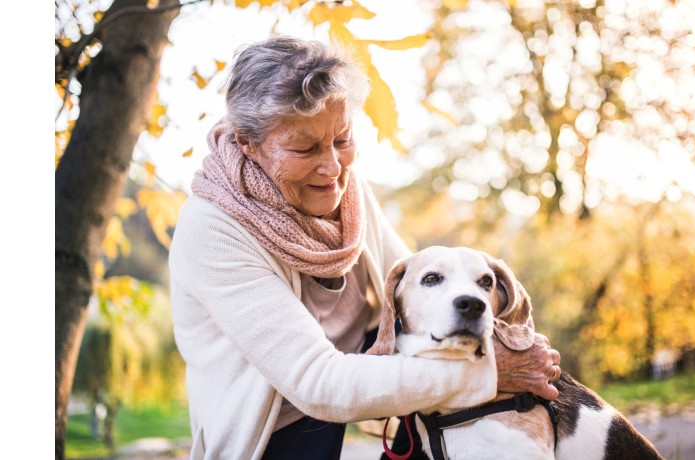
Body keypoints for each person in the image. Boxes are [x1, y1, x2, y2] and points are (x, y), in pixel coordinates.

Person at [169, 36, 561, 460]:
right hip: (281, 424)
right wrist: (488, 371)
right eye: (305, 148)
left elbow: (415, 289)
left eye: (342, 139)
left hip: (368, 368)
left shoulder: (343, 186)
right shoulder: (211, 229)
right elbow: (319, 383)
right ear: (248, 143)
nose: (333, 168)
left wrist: (508, 348)